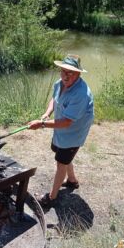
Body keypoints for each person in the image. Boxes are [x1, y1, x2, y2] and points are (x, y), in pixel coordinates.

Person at [28, 54, 94, 208]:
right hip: (60, 129)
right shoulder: (60, 83)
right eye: (63, 71)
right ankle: (72, 181)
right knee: (61, 156)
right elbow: (54, 99)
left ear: (78, 73)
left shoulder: (81, 94)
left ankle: (51, 197)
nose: (65, 75)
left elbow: (66, 122)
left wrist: (41, 125)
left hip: (73, 132)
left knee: (61, 163)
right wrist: (46, 114)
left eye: (70, 72)